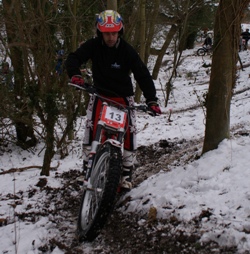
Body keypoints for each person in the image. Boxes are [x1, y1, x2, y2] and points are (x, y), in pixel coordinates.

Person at [65, 10, 161, 190]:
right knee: (91, 127)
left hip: (123, 98)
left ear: (120, 32)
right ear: (100, 32)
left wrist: (152, 100)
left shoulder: (126, 50)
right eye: (106, 33)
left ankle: (126, 173)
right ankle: (87, 167)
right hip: (100, 94)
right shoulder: (93, 46)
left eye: (114, 33)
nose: (110, 37)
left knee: (129, 132)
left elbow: (142, 74)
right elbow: (74, 57)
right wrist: (75, 74)